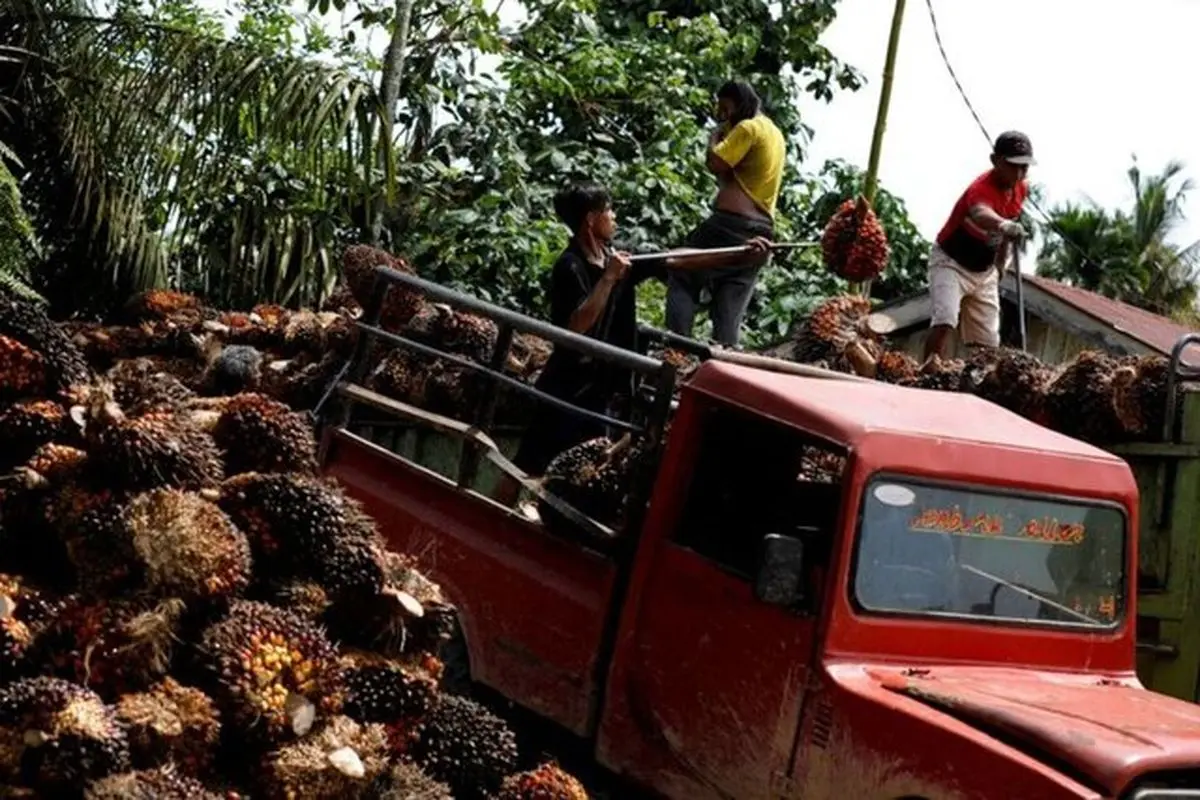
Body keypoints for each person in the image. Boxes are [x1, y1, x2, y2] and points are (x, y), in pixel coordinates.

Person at [497, 181, 770, 506]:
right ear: (590, 219)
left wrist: (737, 253)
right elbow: (576, 326)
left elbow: (675, 260)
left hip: (603, 387)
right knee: (528, 465)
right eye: (608, 211)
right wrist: (609, 279)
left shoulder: (619, 258)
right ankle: (487, 515)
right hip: (567, 386)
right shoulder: (570, 266)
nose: (614, 217)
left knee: (588, 466)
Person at [665, 80, 786, 348]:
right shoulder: (774, 132)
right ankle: (726, 358)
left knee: (681, 272)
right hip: (761, 230)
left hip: (729, 227)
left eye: (725, 108)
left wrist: (714, 138)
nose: (722, 115)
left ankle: (678, 351)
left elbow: (716, 162)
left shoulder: (747, 127)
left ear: (740, 103)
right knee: (729, 304)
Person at [923, 130, 1034, 361]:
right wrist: (1002, 225)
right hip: (951, 263)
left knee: (988, 343)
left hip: (984, 271)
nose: (1019, 173)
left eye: (1024, 167)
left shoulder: (1021, 189)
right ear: (995, 161)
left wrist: (1000, 265)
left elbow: (1009, 226)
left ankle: (977, 384)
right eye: (1013, 166)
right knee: (945, 318)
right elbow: (981, 213)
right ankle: (927, 370)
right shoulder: (981, 188)